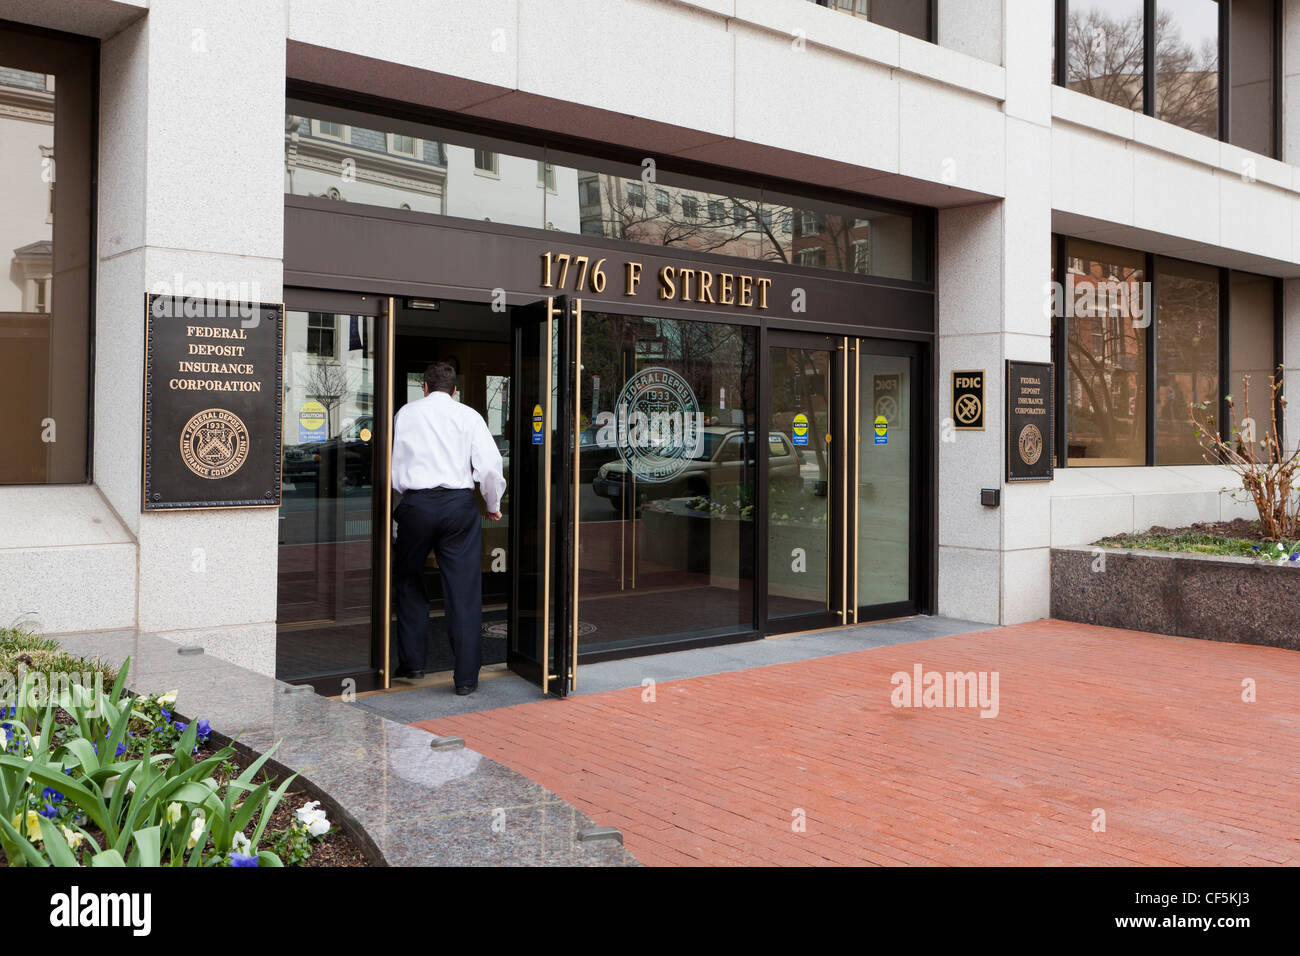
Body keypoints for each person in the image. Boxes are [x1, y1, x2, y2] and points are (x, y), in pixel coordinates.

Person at [390, 361, 505, 694]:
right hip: (458, 506)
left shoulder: (406, 414)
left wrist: (402, 505)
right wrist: (493, 505)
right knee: (464, 592)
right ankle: (466, 679)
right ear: (455, 390)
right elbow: (489, 467)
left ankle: (412, 664)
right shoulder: (469, 416)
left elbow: (397, 469)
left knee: (409, 580)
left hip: (417, 504)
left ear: (424, 386)